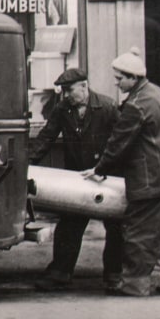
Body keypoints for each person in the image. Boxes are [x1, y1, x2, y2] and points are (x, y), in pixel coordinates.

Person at [83, 48, 160, 297]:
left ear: (133, 78)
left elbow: (119, 142)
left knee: (140, 233)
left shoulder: (137, 105)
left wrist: (100, 169)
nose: (116, 82)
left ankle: (134, 285)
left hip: (152, 181)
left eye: (120, 78)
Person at [29, 68, 121, 291]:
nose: (66, 95)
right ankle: (60, 272)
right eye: (63, 91)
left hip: (105, 176)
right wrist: (28, 163)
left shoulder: (108, 107)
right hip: (78, 177)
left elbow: (120, 142)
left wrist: (105, 168)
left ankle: (114, 275)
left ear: (84, 86)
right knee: (69, 226)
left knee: (117, 228)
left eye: (69, 90)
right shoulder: (63, 109)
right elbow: (46, 137)